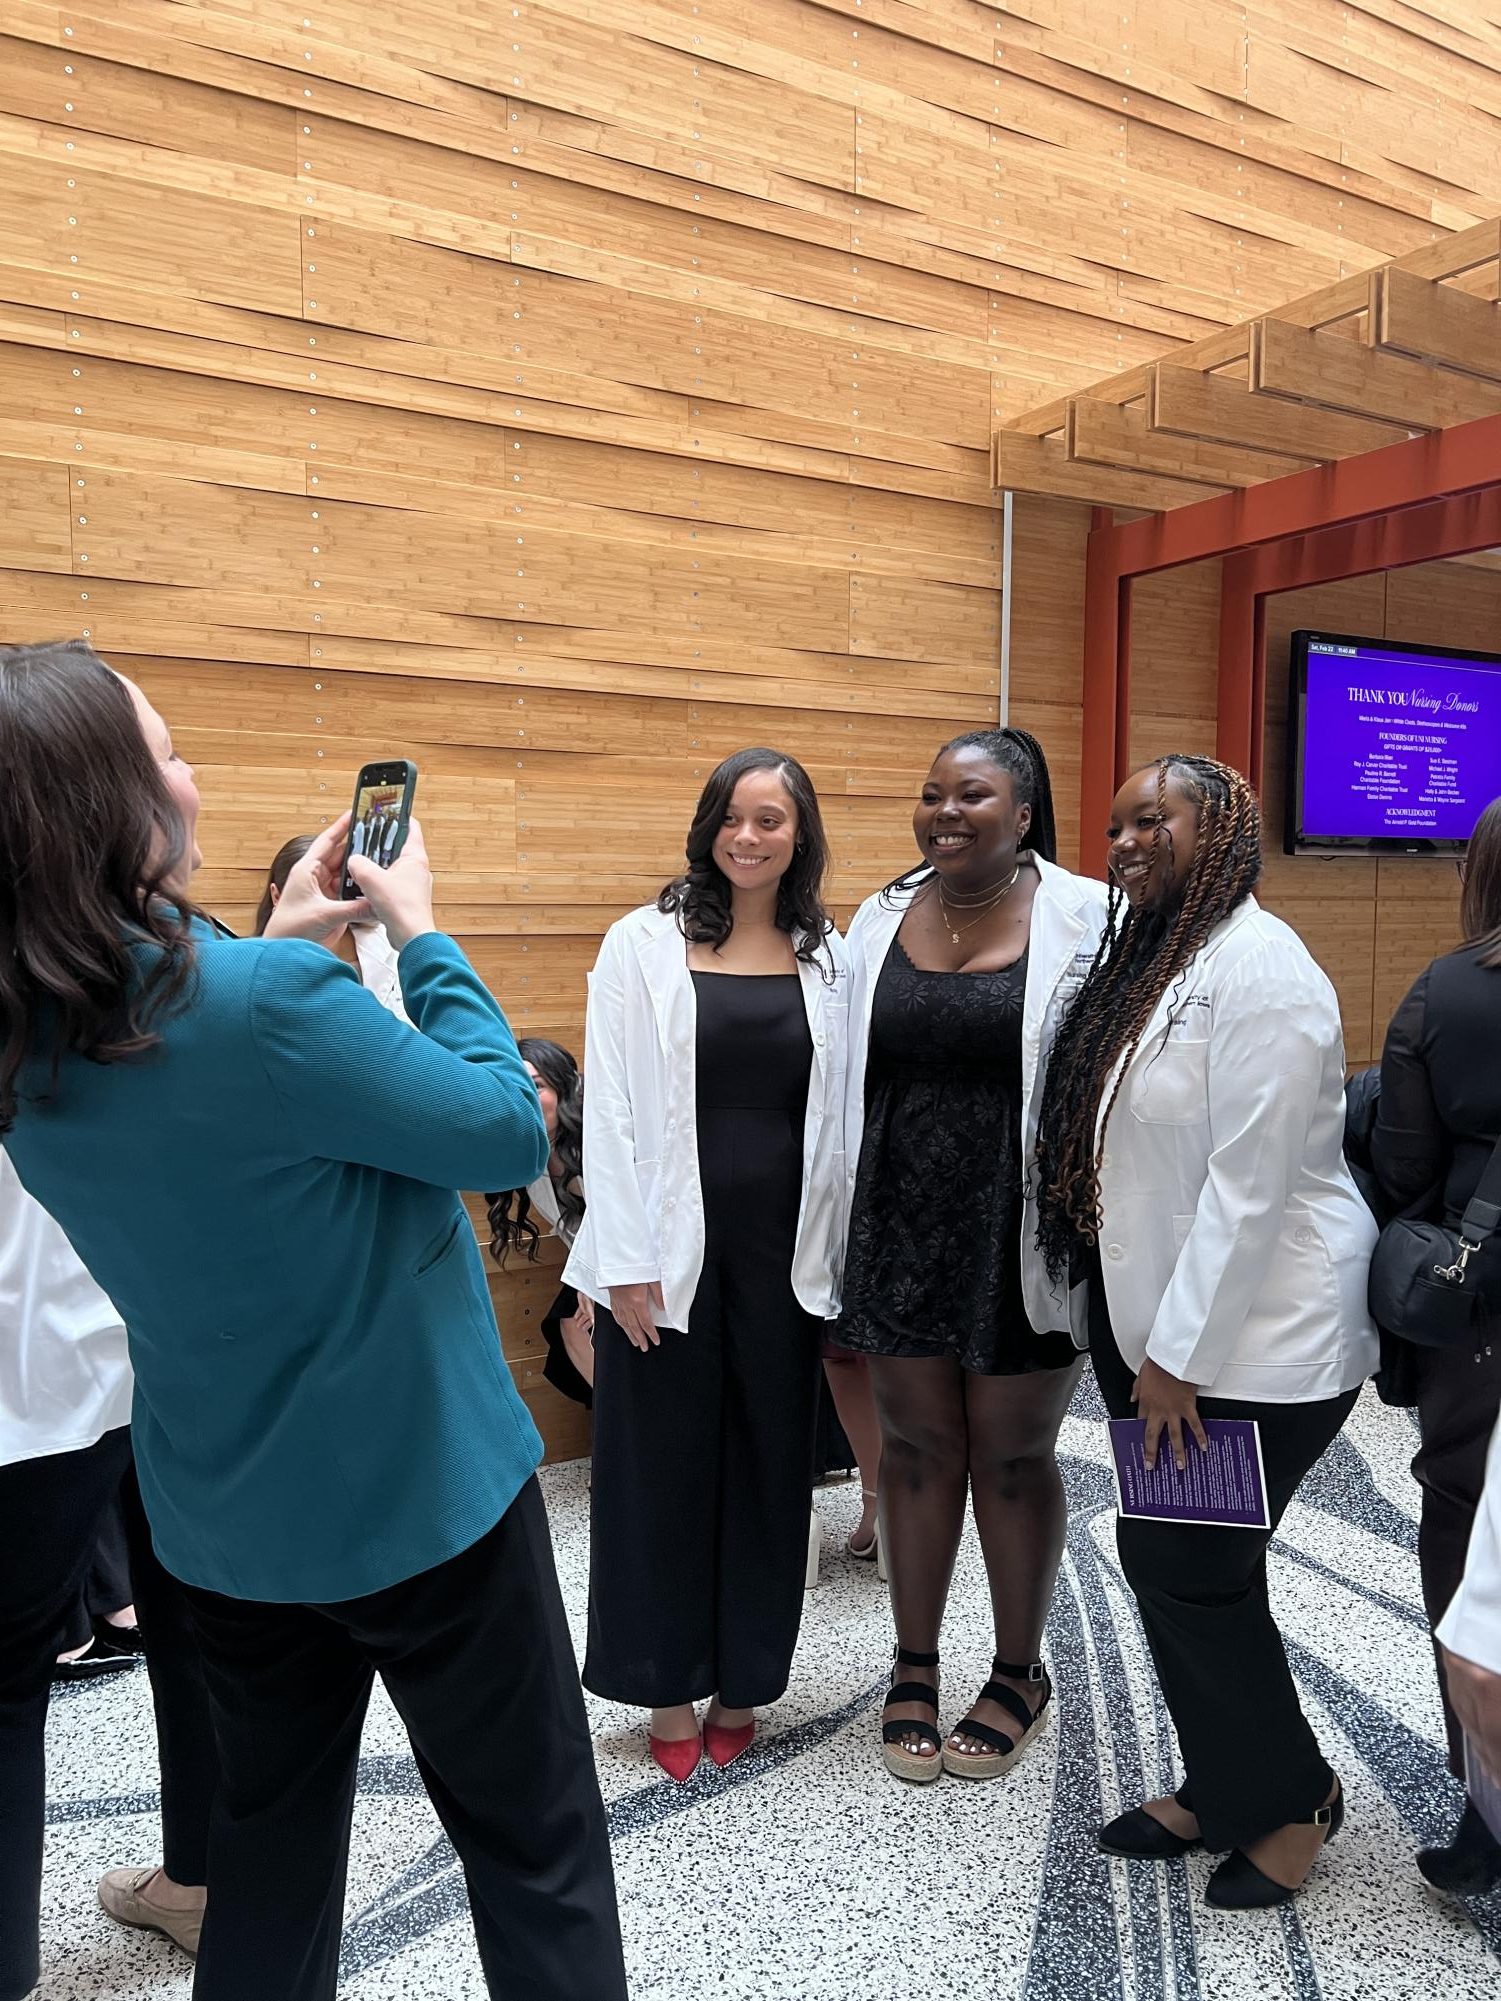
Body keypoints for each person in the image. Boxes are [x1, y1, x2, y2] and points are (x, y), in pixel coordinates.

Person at [0, 640, 626, 2001]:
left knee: (270, 1857)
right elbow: (502, 1126)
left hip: (223, 1524)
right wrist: (421, 930)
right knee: (535, 1847)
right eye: (164, 750)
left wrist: (284, 946)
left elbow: (212, 1113)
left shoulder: (33, 1045)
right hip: (419, 1499)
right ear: (109, 802)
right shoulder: (266, 1006)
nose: (191, 771)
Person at [1034, 753, 1378, 1909]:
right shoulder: (1160, 958)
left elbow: (1252, 1184)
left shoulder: (1263, 968)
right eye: (1119, 821)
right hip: (1169, 1339)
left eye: (1156, 819)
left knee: (1189, 1564)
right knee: (1184, 1560)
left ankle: (1288, 1800)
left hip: (1258, 1343)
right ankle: (1226, 1777)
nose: (1128, 838)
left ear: (1221, 828)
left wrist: (1171, 1360)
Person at [565, 746, 849, 1781]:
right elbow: (612, 1110)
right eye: (732, 816)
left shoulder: (831, 955)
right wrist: (622, 1258)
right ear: (706, 824)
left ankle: (744, 1680)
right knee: (659, 1469)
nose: (748, 835)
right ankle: (668, 1685)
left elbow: (844, 1113)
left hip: (784, 1250)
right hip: (663, 1247)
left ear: (800, 835)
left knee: (771, 1465)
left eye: (771, 819)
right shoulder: (642, 942)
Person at [830, 728, 1106, 1782]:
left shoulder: (1086, 915)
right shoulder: (881, 913)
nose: (944, 811)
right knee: (911, 1444)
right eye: (932, 791)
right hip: (900, 1208)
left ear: (1024, 813)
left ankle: (1018, 1669)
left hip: (1020, 1215)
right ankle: (912, 1661)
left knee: (1011, 1450)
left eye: (973, 795)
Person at [0, 1154, 214, 1998]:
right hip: (164, 1323)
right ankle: (200, 1884)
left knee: (6, 1684)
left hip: (30, 1361)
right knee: (194, 1620)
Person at [1373, 794, 1501, 1893]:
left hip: (1482, 1320)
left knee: (1464, 1528)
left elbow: (1403, 1177)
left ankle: (1485, 1806)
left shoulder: (1445, 993)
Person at [487, 1038, 595, 1406]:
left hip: (632, 1260)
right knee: (568, 1326)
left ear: (564, 1088)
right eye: (514, 1089)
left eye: (536, 1086)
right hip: (591, 1266)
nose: (526, 1100)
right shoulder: (529, 1155)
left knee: (574, 1325)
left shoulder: (593, 1143)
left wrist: (596, 1282)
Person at [256, 834, 409, 1022]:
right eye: (310, 904)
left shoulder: (393, 948)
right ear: (276, 897)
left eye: (334, 901)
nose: (325, 918)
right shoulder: (253, 975)